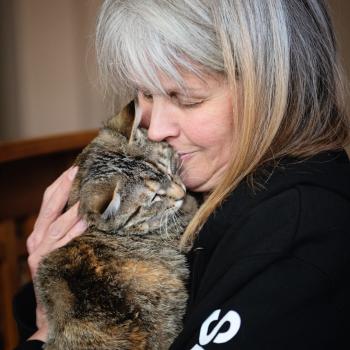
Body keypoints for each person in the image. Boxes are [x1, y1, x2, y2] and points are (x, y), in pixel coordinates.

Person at [14, 0, 350, 349]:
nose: (155, 129)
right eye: (145, 93)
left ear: (275, 85)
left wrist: (45, 337)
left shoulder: (296, 238)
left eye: (186, 99)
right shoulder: (211, 179)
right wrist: (58, 299)